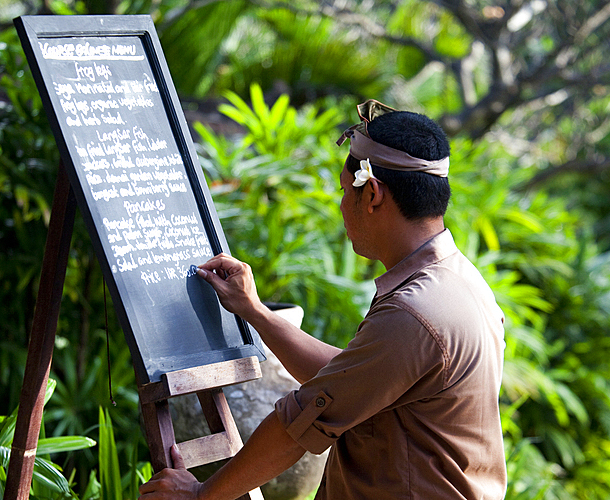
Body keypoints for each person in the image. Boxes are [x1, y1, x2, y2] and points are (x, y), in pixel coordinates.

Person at [138, 101, 507, 499]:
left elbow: (295, 427)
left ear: (373, 195)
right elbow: (348, 378)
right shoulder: (458, 281)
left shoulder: (412, 314)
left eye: (345, 190)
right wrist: (255, 312)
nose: (342, 204)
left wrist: (200, 495)